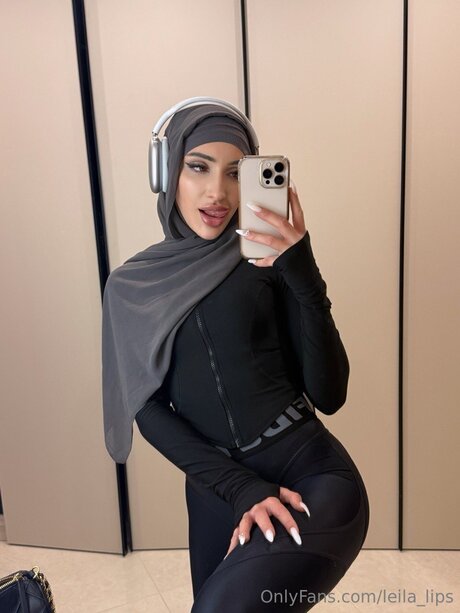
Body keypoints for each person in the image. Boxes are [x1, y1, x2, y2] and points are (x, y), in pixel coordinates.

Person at [101, 101, 370, 612]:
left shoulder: (267, 259)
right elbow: (148, 410)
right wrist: (242, 488)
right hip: (217, 493)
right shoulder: (132, 287)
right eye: (198, 167)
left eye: (233, 173)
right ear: (166, 173)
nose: (217, 193)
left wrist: (303, 273)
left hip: (310, 475)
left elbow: (330, 394)